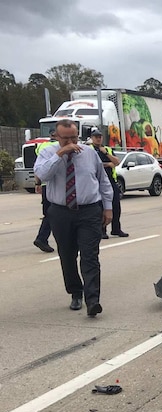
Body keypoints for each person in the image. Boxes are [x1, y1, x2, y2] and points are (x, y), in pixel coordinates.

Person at [34, 119, 113, 317]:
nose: (71, 142)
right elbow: (41, 175)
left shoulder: (89, 153)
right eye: (65, 139)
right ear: (56, 136)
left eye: (74, 137)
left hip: (89, 211)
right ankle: (75, 292)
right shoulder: (47, 153)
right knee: (67, 256)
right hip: (61, 212)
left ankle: (93, 300)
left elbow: (103, 181)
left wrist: (108, 208)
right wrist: (60, 155)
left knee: (90, 256)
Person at [89, 129, 127, 238]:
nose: (98, 138)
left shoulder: (107, 149)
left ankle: (116, 229)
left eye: (100, 136)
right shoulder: (89, 149)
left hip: (111, 181)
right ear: (92, 138)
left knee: (116, 206)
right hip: (97, 181)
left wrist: (105, 153)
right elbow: (95, 164)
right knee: (101, 207)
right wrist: (107, 164)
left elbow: (116, 162)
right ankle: (102, 230)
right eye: (96, 136)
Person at [33, 131, 59, 252]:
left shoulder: (42, 146)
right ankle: (42, 238)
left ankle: (43, 238)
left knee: (49, 213)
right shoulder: (58, 147)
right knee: (52, 213)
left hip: (44, 184)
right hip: (54, 185)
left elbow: (38, 167)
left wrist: (37, 183)